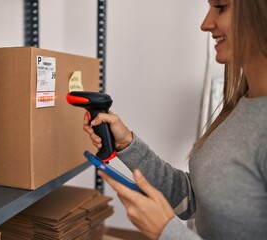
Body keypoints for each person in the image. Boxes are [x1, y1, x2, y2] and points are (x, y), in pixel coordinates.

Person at [83, 0, 267, 239]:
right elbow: (196, 201)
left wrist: (166, 231)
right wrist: (127, 143)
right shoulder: (244, 104)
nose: (205, 24)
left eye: (220, 7)